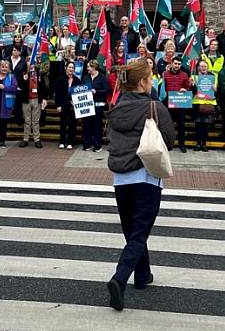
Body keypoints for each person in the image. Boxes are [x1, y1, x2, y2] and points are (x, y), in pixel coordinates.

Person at [105, 58, 175, 311]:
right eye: (150, 78)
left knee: (132, 231)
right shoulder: (153, 107)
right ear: (144, 82)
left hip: (120, 178)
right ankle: (119, 278)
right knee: (139, 233)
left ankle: (142, 274)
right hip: (146, 176)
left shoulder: (116, 107)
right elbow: (170, 138)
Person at [162, 56, 191, 152]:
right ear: (171, 64)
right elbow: (162, 87)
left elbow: (188, 88)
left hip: (180, 104)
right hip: (167, 104)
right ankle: (168, 144)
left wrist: (185, 89)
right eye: (175, 63)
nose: (177, 65)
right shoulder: (165, 74)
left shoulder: (185, 75)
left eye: (179, 64)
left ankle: (181, 144)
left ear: (181, 65)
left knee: (181, 125)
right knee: (168, 126)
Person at [19, 62, 49, 148]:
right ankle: (25, 139)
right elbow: (20, 86)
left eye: (32, 63)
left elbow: (44, 87)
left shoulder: (39, 74)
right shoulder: (24, 73)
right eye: (29, 63)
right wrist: (24, 80)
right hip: (26, 100)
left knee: (36, 121)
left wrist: (44, 98)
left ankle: (37, 139)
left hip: (36, 99)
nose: (31, 65)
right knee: (27, 121)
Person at [82, 60, 109, 152]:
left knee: (97, 126)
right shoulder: (85, 77)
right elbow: (81, 89)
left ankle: (97, 146)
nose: (87, 68)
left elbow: (106, 90)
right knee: (86, 125)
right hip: (86, 105)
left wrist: (96, 91)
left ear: (93, 67)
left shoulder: (102, 78)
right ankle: (87, 144)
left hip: (98, 105)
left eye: (88, 67)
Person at [191, 60, 217, 151]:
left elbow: (216, 91)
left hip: (208, 103)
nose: (203, 68)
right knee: (198, 124)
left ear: (207, 67)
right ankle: (198, 144)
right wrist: (193, 85)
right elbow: (192, 92)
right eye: (201, 66)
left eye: (205, 66)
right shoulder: (194, 77)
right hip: (197, 103)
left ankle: (204, 144)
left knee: (205, 125)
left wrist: (215, 88)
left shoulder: (212, 77)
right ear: (198, 67)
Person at [54, 61, 81, 149]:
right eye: (69, 67)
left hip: (73, 106)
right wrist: (58, 105)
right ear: (66, 68)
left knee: (72, 124)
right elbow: (57, 93)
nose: (71, 69)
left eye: (72, 68)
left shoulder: (77, 80)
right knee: (63, 124)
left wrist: (76, 102)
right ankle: (62, 142)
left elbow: (79, 93)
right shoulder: (60, 79)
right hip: (63, 105)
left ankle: (70, 142)